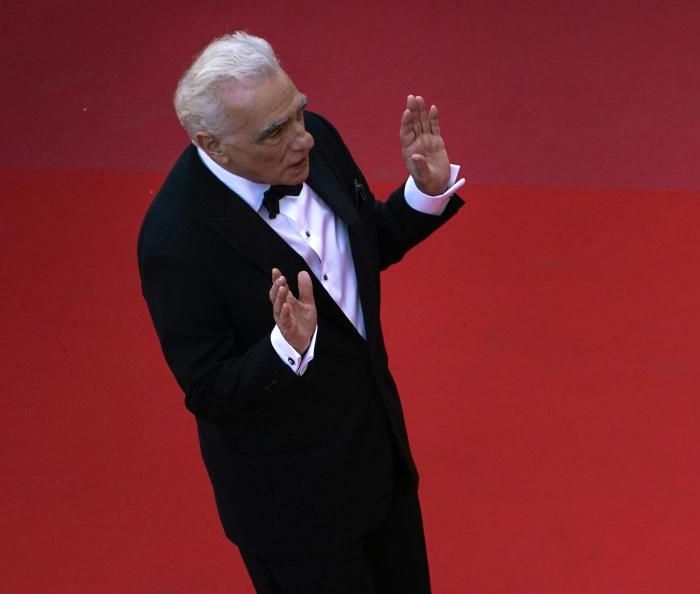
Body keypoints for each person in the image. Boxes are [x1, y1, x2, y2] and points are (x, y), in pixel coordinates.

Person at [137, 31, 465, 593]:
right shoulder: (176, 241)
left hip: (379, 461)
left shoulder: (318, 142)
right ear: (212, 144)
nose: (301, 138)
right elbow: (210, 391)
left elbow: (361, 247)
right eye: (275, 131)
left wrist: (422, 196)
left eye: (298, 112)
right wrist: (284, 349)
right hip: (296, 514)